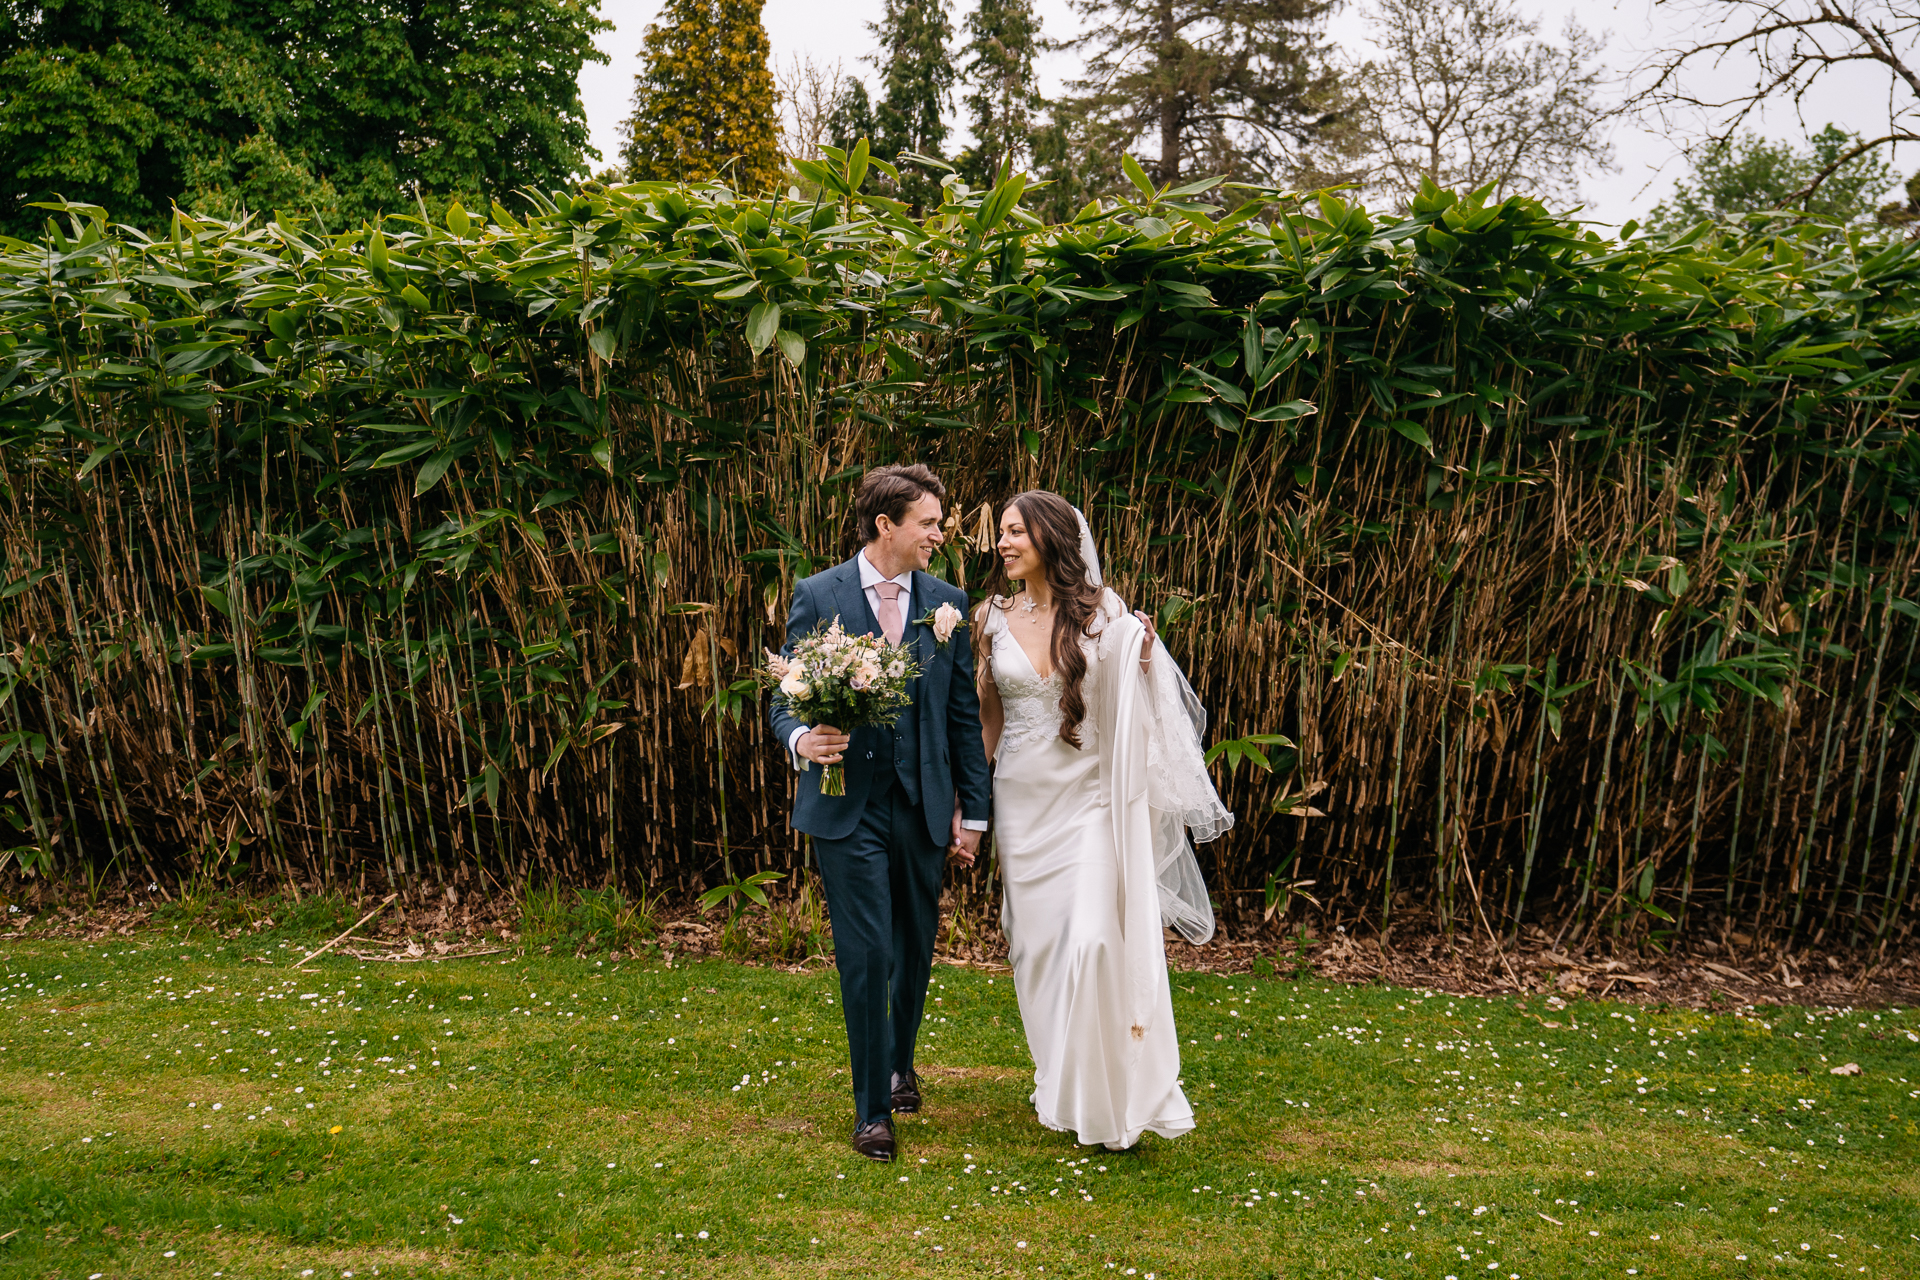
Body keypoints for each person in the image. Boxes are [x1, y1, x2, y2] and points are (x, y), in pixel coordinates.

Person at [973, 489, 1230, 1151]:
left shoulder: (1103, 612)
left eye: (1014, 532)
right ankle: (1059, 1077)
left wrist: (1142, 653)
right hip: (1020, 806)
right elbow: (989, 719)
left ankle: (1111, 1098)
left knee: (1091, 940)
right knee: (1039, 956)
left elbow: (1139, 690)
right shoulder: (988, 618)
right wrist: (967, 803)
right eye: (1000, 532)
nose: (1003, 543)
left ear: (1050, 538)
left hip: (1086, 801)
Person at [769, 464, 994, 1163]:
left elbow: (963, 718)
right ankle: (872, 1112)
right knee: (866, 953)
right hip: (846, 807)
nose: (939, 532)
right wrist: (803, 737)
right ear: (885, 526)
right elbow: (785, 694)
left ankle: (900, 1065)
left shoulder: (948, 602)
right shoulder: (819, 594)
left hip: (923, 805)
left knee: (913, 948)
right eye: (928, 522)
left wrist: (975, 817)